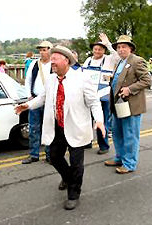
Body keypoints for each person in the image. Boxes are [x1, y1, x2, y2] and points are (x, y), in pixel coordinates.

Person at [15, 45, 105, 210]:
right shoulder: (50, 79)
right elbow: (42, 97)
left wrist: (99, 120)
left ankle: (73, 193)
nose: (52, 62)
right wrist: (27, 105)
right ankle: (68, 177)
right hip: (57, 126)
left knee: (76, 162)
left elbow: (94, 102)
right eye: (52, 59)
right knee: (55, 157)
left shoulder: (82, 78)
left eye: (55, 59)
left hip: (76, 126)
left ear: (66, 60)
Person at [105, 35, 151, 174]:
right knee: (118, 133)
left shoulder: (137, 61)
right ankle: (120, 157)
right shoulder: (120, 62)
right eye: (118, 47)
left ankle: (129, 163)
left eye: (124, 46)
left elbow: (147, 80)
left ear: (130, 48)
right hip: (118, 105)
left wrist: (129, 89)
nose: (120, 49)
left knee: (130, 135)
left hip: (131, 106)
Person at [83, 33, 119, 155]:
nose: (97, 51)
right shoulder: (88, 60)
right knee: (86, 120)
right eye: (95, 49)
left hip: (103, 96)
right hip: (88, 94)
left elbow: (118, 57)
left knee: (101, 121)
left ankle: (103, 146)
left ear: (104, 50)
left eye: (100, 49)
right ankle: (86, 141)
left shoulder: (108, 59)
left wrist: (108, 43)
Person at [23, 41, 53, 164]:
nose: (42, 52)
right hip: (35, 99)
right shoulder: (34, 64)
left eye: (44, 49)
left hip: (50, 100)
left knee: (49, 128)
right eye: (40, 50)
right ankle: (34, 154)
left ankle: (50, 154)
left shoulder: (54, 64)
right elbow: (28, 80)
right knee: (34, 128)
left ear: (50, 50)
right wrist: (29, 95)